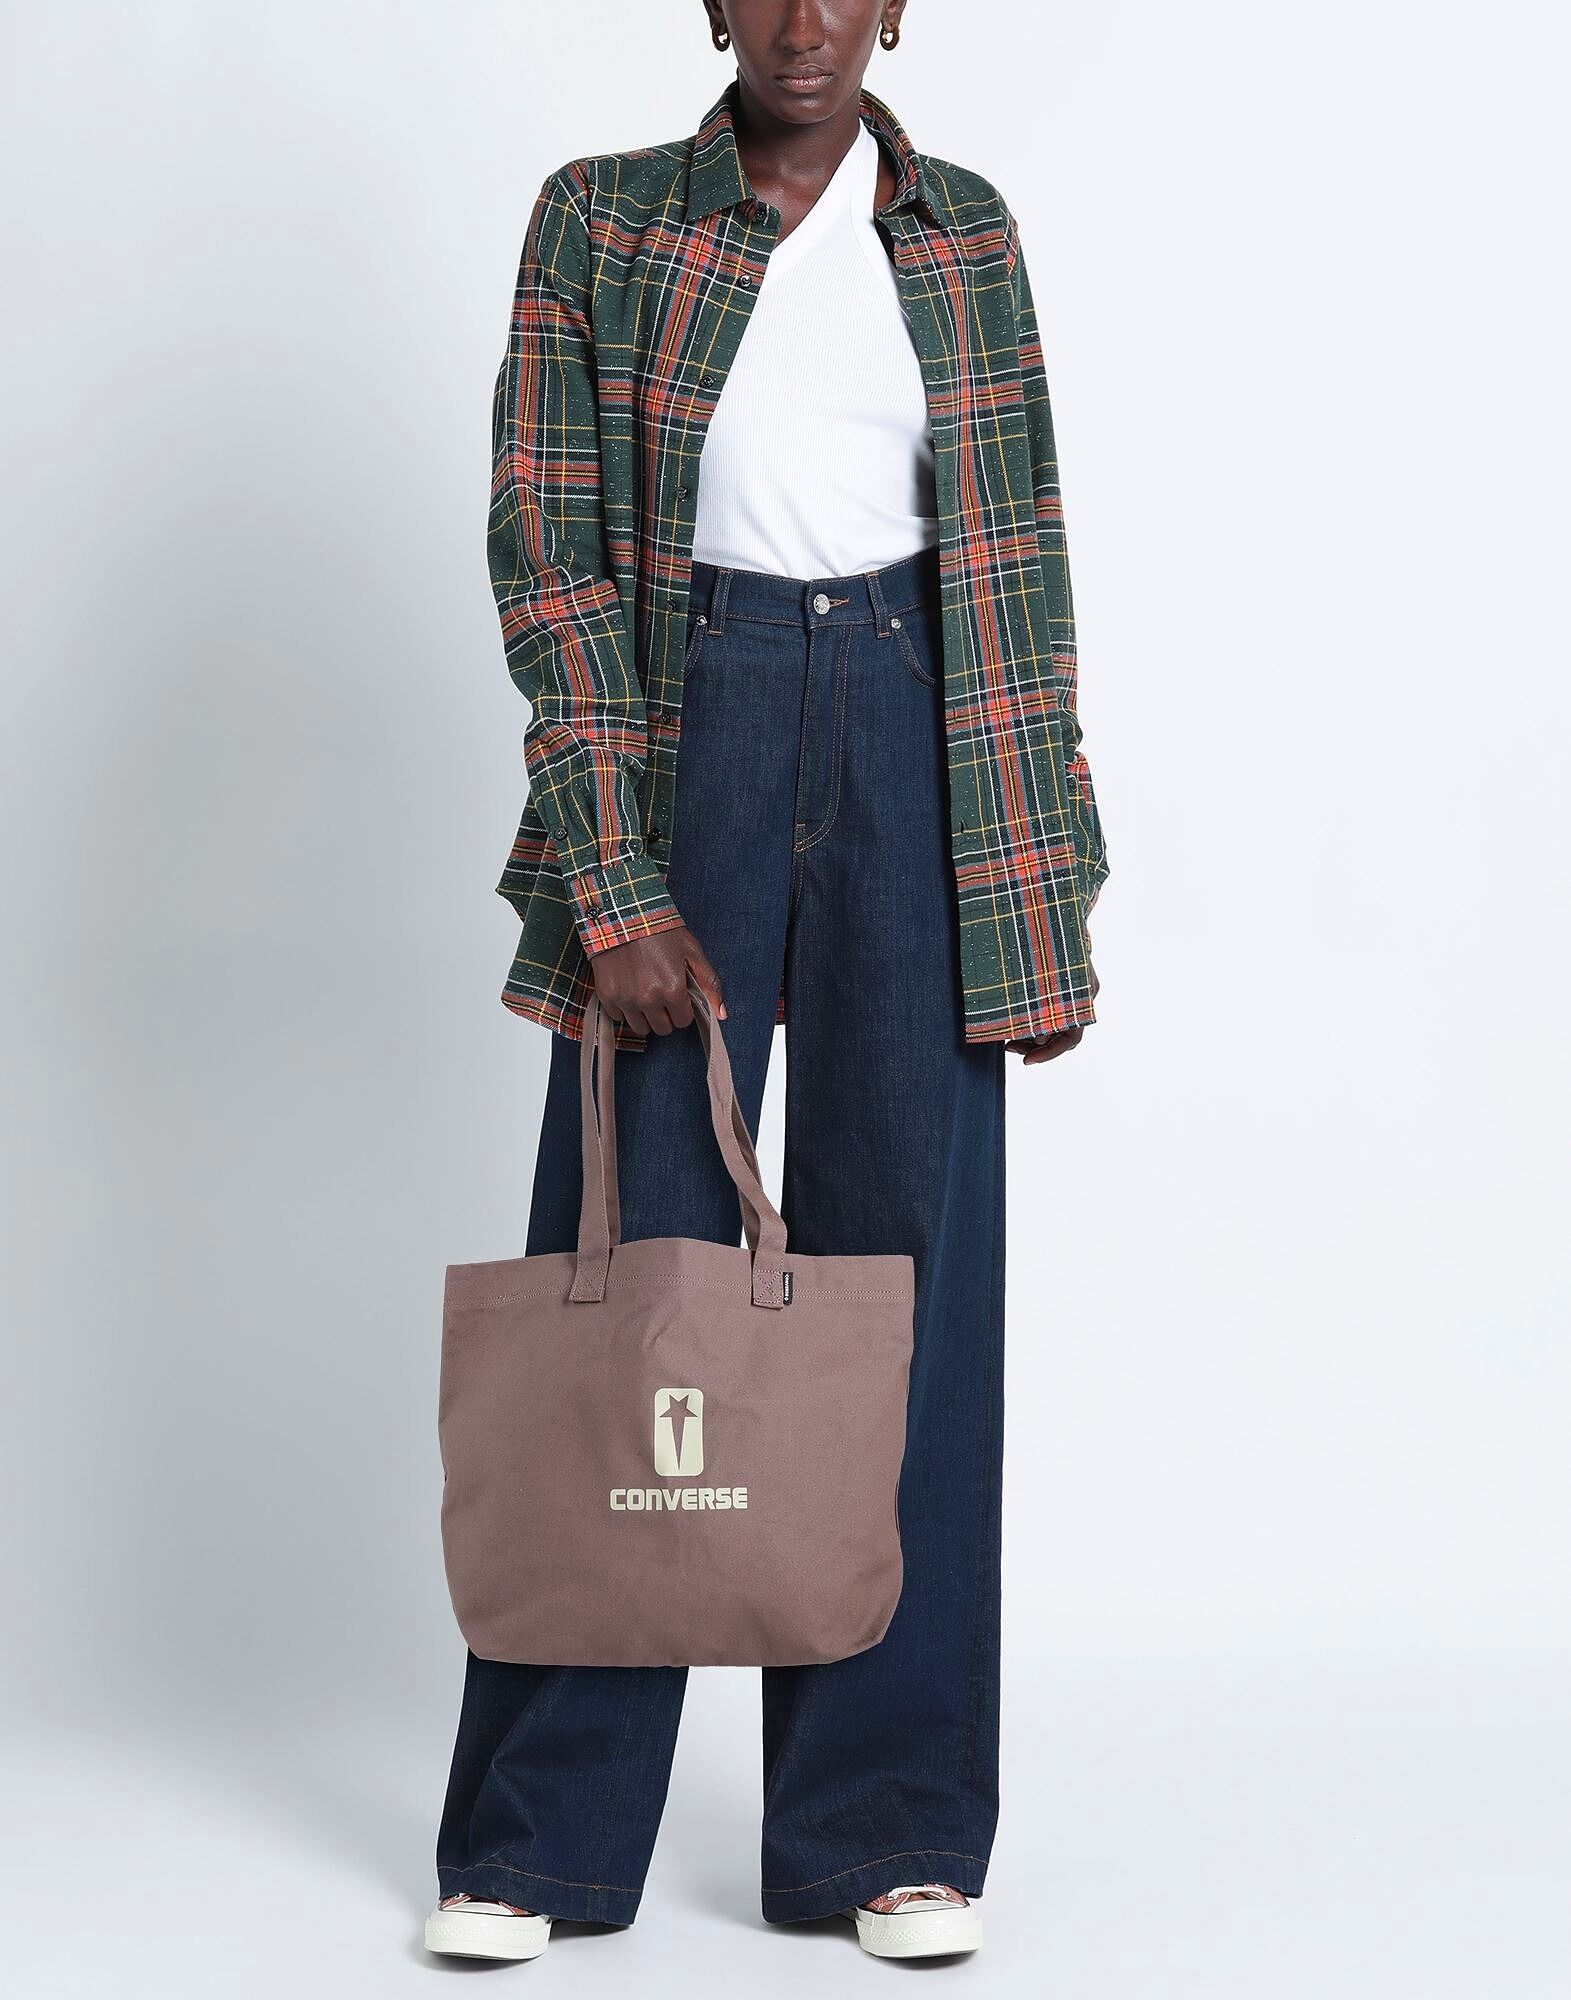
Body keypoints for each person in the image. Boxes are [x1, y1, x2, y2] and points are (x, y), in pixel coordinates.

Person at [427, 0, 1109, 1965]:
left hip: (917, 735)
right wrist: (613, 871)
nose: (806, 22)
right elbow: (547, 553)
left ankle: (883, 1830)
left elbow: (1022, 573)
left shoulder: (965, 233)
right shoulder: (604, 218)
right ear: (710, 7)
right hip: (687, 728)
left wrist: (1043, 883)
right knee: (633, 1271)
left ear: (898, 10)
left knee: (904, 1299)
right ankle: (541, 1840)